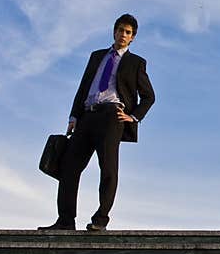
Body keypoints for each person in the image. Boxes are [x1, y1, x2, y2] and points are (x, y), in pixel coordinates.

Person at [38, 13, 155, 231]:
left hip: (112, 117)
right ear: (114, 32)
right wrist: (73, 116)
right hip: (86, 116)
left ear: (132, 38)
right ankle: (65, 221)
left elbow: (149, 96)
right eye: (120, 30)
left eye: (128, 32)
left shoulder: (136, 63)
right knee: (69, 168)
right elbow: (83, 87)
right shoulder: (96, 56)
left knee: (108, 170)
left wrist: (134, 117)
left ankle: (100, 220)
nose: (123, 34)